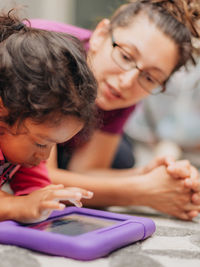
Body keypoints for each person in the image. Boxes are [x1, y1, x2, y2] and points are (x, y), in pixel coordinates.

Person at [31, 0, 200, 220]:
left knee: (122, 158)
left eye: (150, 77)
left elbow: (85, 169)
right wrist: (141, 192)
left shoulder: (126, 87)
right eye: (126, 56)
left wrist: (154, 177)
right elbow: (40, 181)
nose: (128, 81)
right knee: (123, 155)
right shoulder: (52, 55)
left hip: (62, 144)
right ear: (100, 34)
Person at [0, 9, 97, 223]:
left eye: (53, 145)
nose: (45, 157)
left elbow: (35, 189)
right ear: (3, 109)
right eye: (42, 143)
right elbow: (19, 204)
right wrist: (15, 206)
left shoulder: (25, 150)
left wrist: (43, 200)